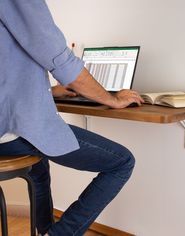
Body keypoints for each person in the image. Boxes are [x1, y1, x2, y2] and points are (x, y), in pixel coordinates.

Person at [0, 1, 143, 236]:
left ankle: (46, 230)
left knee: (38, 165)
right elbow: (62, 63)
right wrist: (112, 99)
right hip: (7, 133)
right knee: (122, 162)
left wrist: (49, 90)